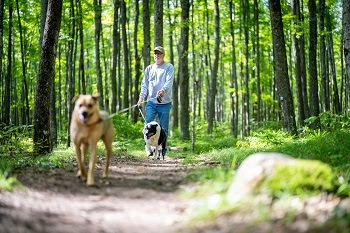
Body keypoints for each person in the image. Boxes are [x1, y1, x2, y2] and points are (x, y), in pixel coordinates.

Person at [137, 46, 174, 155]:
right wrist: (141, 98)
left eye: (159, 53)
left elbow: (169, 81)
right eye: (155, 54)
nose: (157, 55)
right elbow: (144, 85)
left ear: (163, 55)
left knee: (163, 128)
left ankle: (162, 151)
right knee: (147, 124)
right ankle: (148, 149)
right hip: (151, 103)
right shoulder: (149, 68)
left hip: (165, 103)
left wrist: (163, 90)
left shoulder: (168, 67)